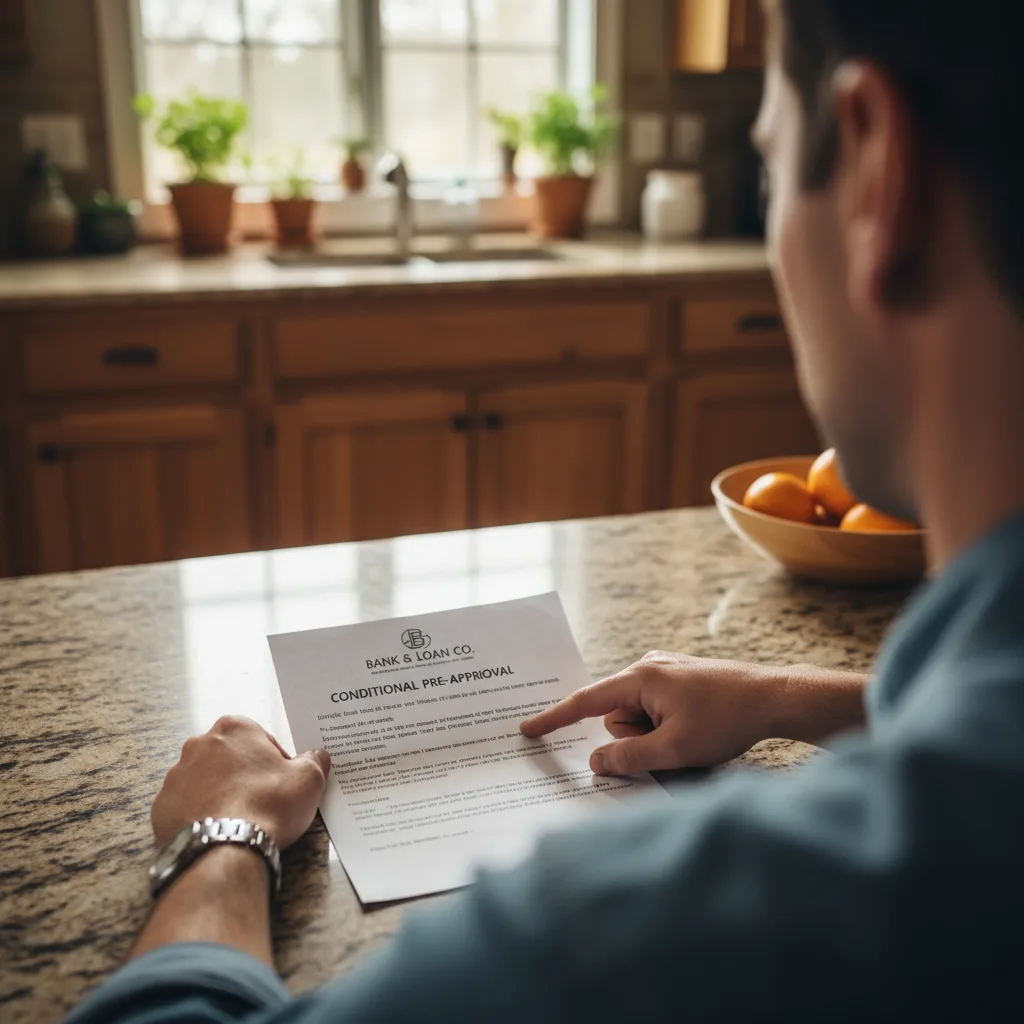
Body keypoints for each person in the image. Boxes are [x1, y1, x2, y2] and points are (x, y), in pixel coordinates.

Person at [67, 0, 1024, 1019]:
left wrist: (224, 834)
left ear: (878, 175)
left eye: (770, 162)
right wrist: (799, 694)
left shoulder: (622, 933)